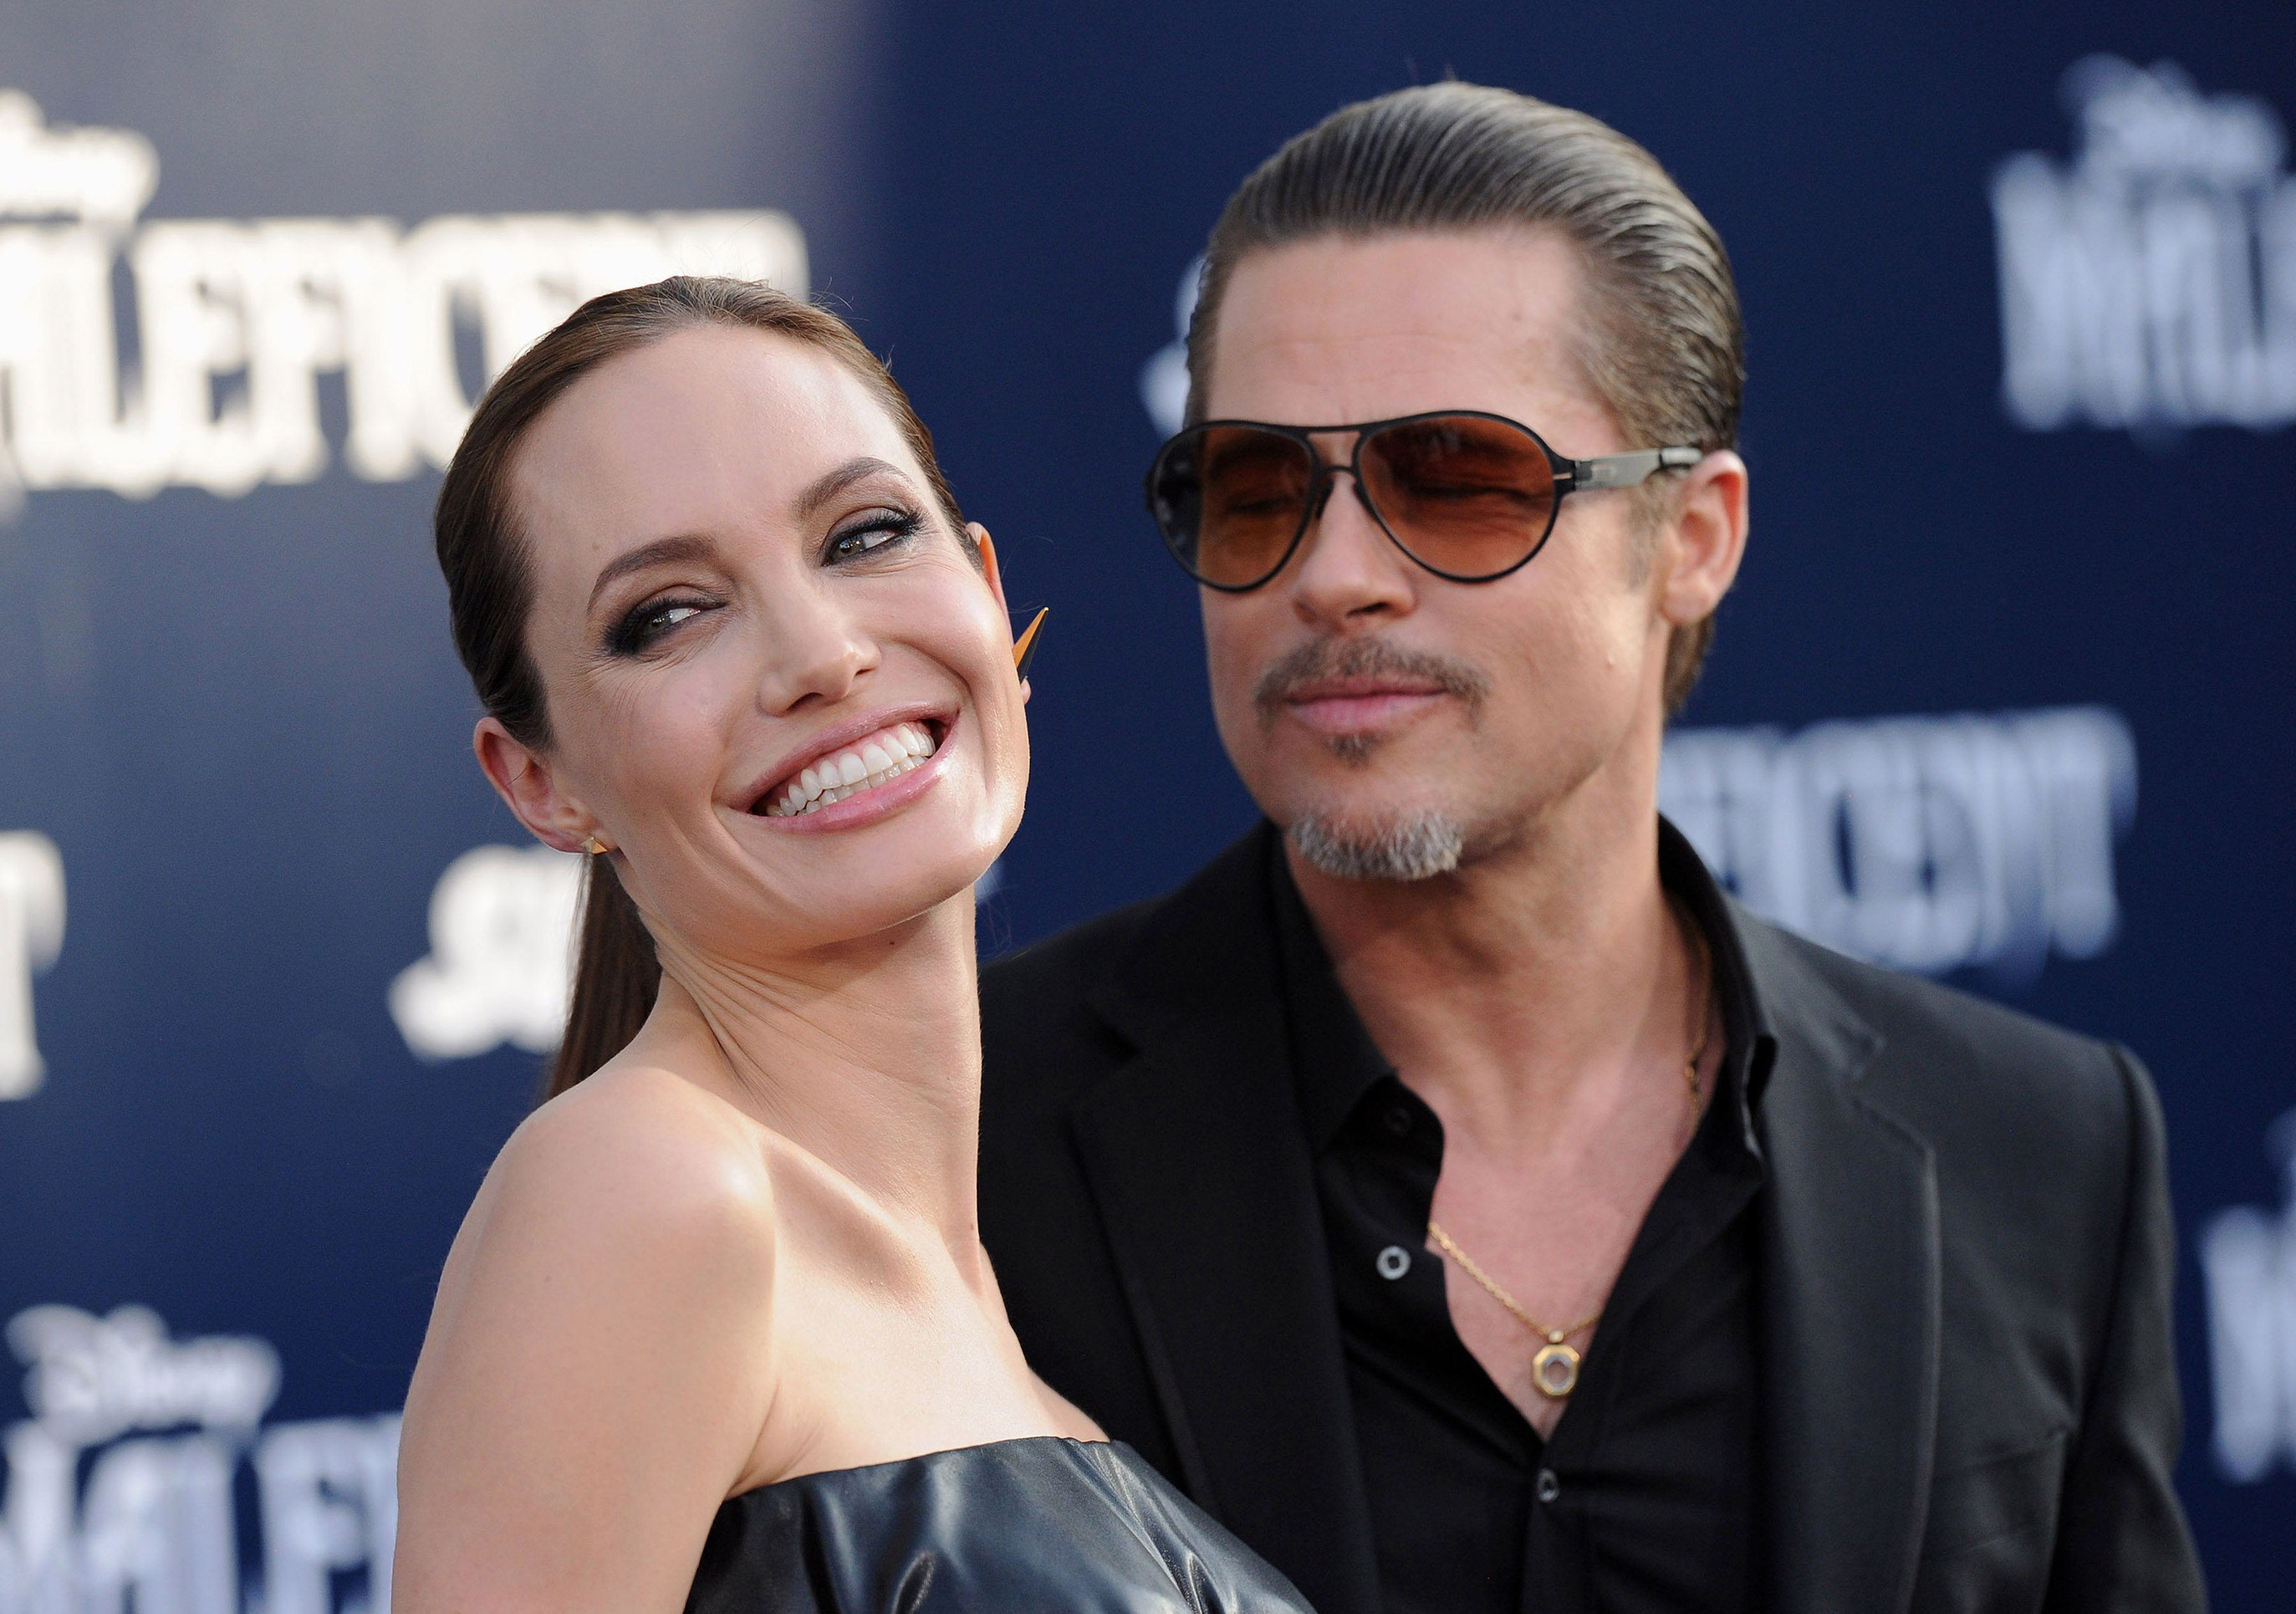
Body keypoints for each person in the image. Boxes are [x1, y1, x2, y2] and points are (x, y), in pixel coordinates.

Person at [976, 84, 2205, 1614]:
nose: (1335, 576)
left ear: (1691, 539)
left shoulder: (2040, 1151)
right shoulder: (960, 1153)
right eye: (1256, 493)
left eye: (1459, 481)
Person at [392, 276, 1313, 1614]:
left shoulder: (980, 1298)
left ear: (991, 601)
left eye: (866, 534)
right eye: (666, 615)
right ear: (542, 782)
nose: (821, 654)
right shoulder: (646, 1195)